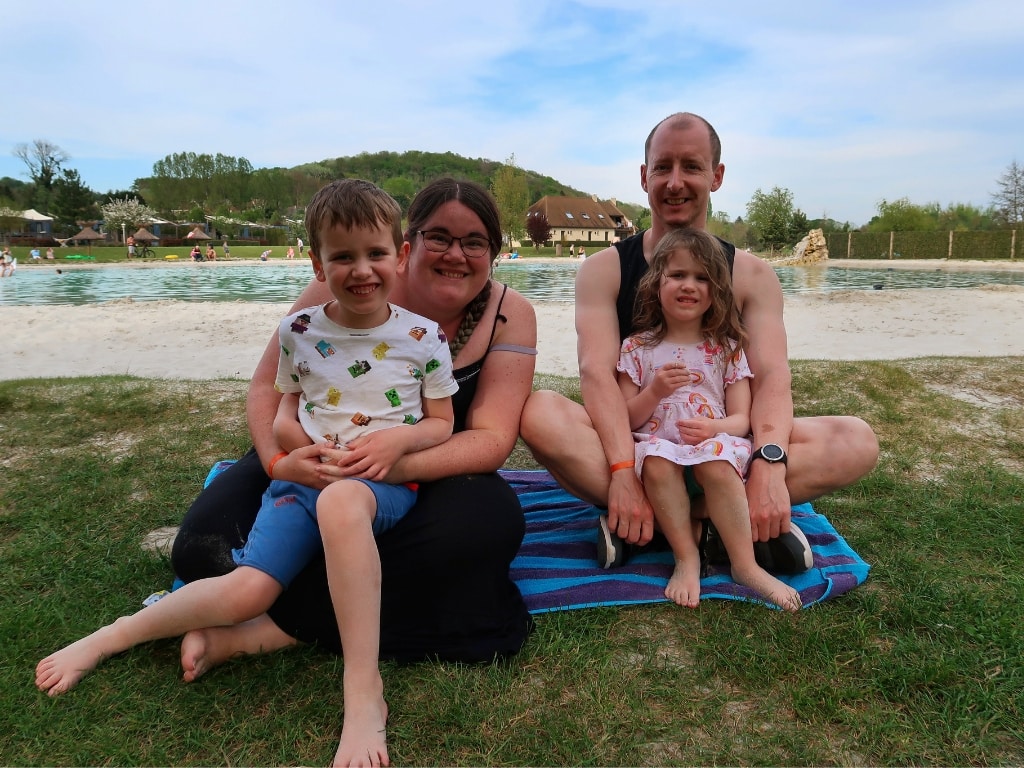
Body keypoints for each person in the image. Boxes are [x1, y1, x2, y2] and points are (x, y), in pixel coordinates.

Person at [37, 179, 460, 766]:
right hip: (303, 483)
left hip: (381, 486)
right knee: (249, 588)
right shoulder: (299, 332)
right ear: (317, 262)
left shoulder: (423, 336)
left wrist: (399, 442)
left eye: (375, 253)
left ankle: (363, 692)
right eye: (342, 256)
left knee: (343, 505)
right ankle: (116, 634)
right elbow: (288, 408)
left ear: (401, 255)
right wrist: (291, 456)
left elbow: (442, 423)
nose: (361, 270)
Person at [167, 178, 536, 759]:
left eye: (475, 241)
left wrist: (387, 462)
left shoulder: (508, 313)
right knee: (201, 553)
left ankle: (272, 626)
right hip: (311, 453)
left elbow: (489, 440)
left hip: (423, 470)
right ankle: (300, 596)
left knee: (489, 528)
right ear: (410, 242)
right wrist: (279, 460)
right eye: (439, 236)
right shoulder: (334, 285)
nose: (456, 254)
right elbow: (269, 390)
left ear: (494, 249)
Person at [521, 111, 879, 571]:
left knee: (856, 439)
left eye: (691, 166)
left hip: (722, 445)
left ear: (716, 176)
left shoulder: (752, 275)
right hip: (641, 446)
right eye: (663, 167)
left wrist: (769, 465)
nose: (675, 182)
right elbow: (596, 374)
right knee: (541, 411)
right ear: (644, 175)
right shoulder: (603, 270)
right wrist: (622, 473)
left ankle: (665, 525)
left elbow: (771, 377)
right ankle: (706, 523)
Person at [614, 227, 801, 611]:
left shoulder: (727, 348)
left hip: (713, 449)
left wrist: (713, 429)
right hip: (661, 453)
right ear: (656, 283)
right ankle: (686, 557)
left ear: (716, 290)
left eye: (702, 278)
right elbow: (626, 416)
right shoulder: (636, 348)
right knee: (657, 462)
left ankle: (745, 565)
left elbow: (742, 419)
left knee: (716, 461)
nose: (689, 286)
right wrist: (655, 392)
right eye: (678, 275)